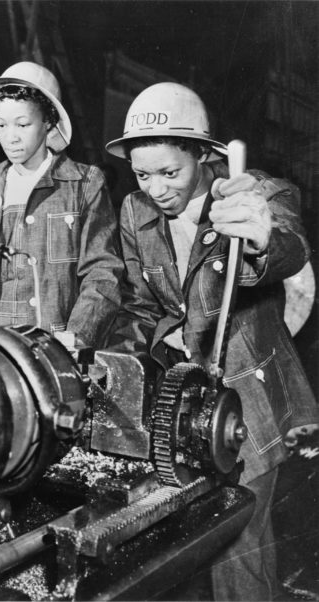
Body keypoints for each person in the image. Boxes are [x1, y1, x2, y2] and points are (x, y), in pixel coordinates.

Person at [105, 82, 319, 600]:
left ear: (203, 154)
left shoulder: (256, 193)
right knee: (192, 547)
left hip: (249, 401)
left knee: (239, 550)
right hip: (183, 404)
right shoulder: (136, 212)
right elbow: (139, 303)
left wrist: (260, 239)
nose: (155, 188)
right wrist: (121, 373)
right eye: (142, 174)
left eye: (170, 172)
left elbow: (289, 247)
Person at [0, 61, 123, 349]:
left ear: (48, 121)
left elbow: (102, 272)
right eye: (1, 125)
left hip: (53, 345)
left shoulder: (83, 185)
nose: (11, 137)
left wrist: (78, 334)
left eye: (23, 124)